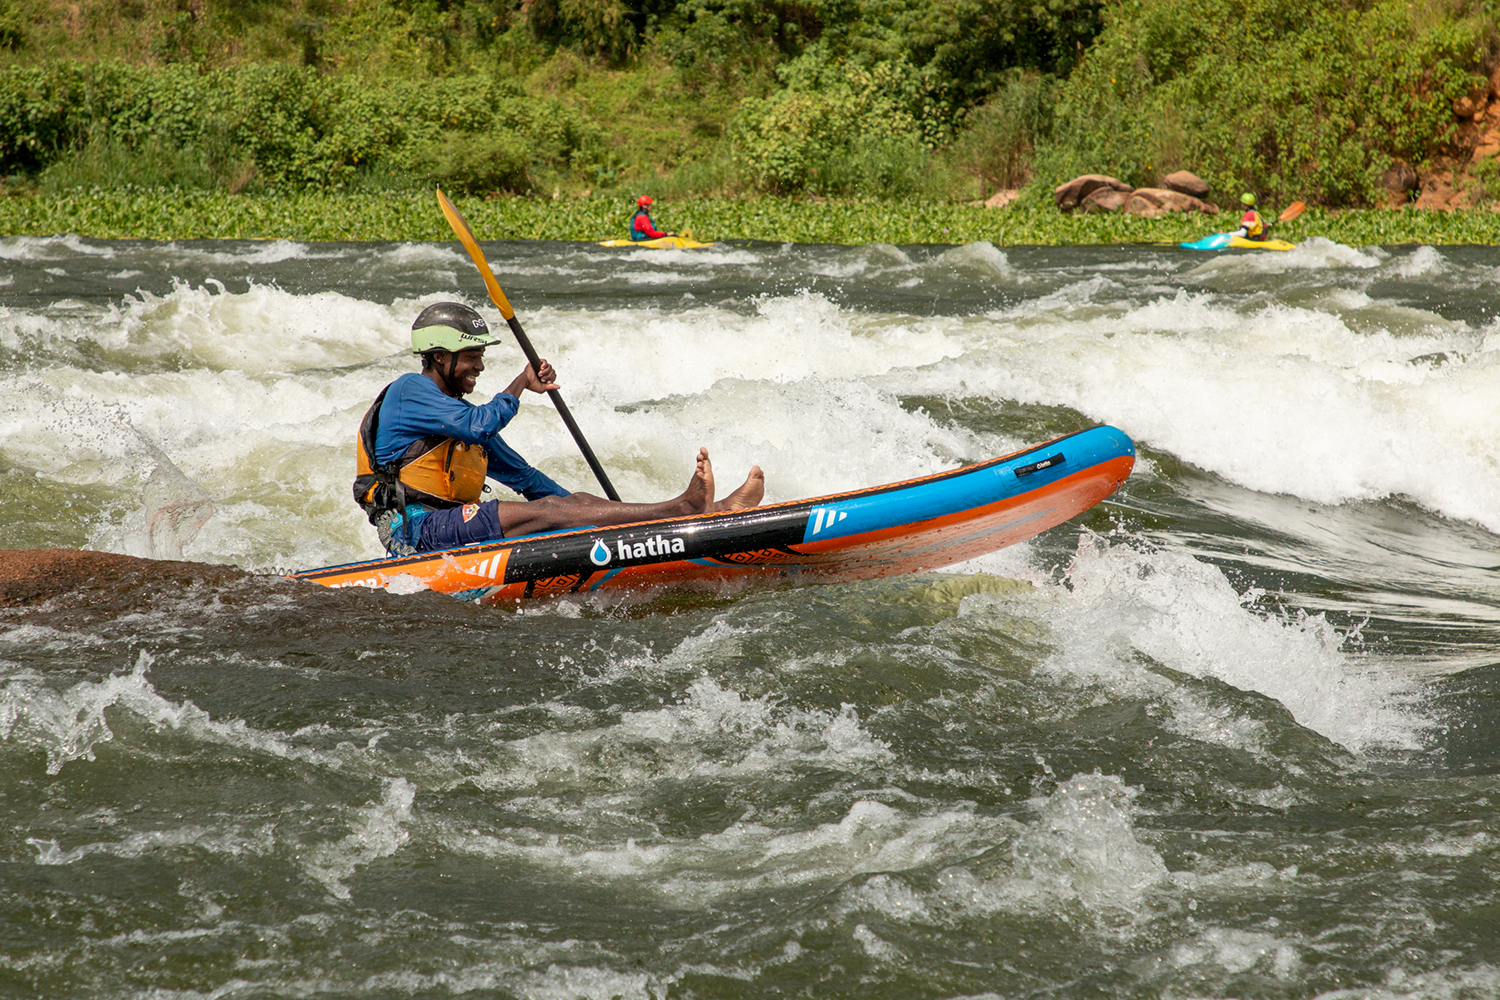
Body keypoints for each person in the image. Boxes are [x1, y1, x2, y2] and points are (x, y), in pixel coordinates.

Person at [354, 302, 764, 556]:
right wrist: (522, 383)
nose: (479, 366)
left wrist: (589, 514)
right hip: (417, 531)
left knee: (573, 502)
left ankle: (709, 514)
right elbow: (479, 426)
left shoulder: (451, 418)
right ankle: (682, 510)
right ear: (439, 357)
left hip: (455, 525)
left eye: (481, 356)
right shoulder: (411, 392)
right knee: (555, 511)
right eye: (471, 356)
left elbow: (527, 479)